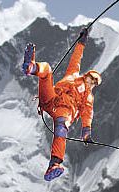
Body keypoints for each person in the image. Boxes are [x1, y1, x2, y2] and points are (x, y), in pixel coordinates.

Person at [22, 27, 102, 181]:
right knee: (47, 70)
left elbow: (87, 114)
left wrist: (86, 132)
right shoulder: (73, 74)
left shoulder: (88, 97)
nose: (92, 81)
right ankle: (31, 67)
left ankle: (55, 163)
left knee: (62, 126)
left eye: (95, 82)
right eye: (91, 77)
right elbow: (76, 58)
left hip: (64, 111)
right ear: (87, 75)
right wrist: (81, 42)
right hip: (51, 98)